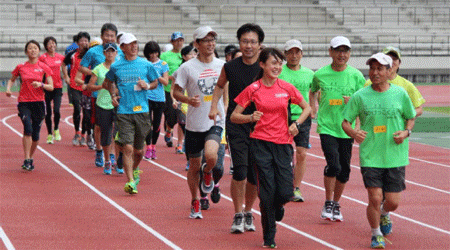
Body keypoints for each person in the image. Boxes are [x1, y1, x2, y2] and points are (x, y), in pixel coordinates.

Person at [231, 48, 311, 248]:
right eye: (273, 63)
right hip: (260, 144)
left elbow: (307, 108)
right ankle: (269, 237)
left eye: (279, 63)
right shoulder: (253, 89)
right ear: (262, 65)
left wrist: (297, 125)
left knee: (285, 192)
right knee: (266, 193)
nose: (277, 67)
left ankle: (278, 206)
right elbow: (234, 116)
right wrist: (250, 117)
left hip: (283, 144)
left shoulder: (286, 88)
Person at [342, 53, 416, 249]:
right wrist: (353, 133)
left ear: (389, 70)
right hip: (370, 155)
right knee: (374, 198)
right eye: (372, 68)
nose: (374, 72)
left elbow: (411, 116)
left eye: (380, 69)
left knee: (392, 202)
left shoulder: (400, 94)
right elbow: (345, 122)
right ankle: (376, 235)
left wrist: (406, 132)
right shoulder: (360, 96)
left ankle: (384, 213)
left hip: (395, 155)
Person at [209, 23, 264, 233]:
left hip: (261, 125)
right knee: (240, 169)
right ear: (239, 42)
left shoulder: (265, 66)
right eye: (244, 41)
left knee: (253, 173)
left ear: (260, 45)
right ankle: (237, 213)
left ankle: (249, 211)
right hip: (237, 122)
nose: (248, 45)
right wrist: (214, 106)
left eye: (252, 42)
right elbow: (219, 86)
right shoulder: (230, 66)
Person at [309, 36, 365, 222]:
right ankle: (327, 201)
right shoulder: (320, 74)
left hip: (346, 128)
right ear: (330, 52)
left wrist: (356, 121)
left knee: (345, 171)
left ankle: (336, 203)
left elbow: (362, 102)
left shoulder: (356, 76)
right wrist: (313, 107)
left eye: (345, 51)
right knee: (334, 165)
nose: (342, 54)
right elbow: (313, 90)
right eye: (338, 50)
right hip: (327, 126)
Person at [173, 26, 225, 219]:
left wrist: (225, 109)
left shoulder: (222, 65)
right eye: (206, 40)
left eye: (213, 40)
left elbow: (226, 89)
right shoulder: (187, 68)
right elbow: (176, 91)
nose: (210, 43)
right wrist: (187, 100)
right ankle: (195, 201)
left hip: (216, 121)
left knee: (211, 157)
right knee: (194, 166)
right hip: (194, 123)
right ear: (197, 44)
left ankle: (208, 171)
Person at [103, 33, 159, 194]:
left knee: (139, 150)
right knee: (127, 148)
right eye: (129, 44)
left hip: (142, 111)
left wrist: (147, 85)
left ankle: (134, 168)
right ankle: (130, 181)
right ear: (122, 48)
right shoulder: (116, 66)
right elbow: (108, 82)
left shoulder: (145, 64)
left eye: (135, 43)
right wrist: (113, 95)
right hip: (124, 111)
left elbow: (155, 82)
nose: (134, 46)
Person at [79, 23, 123, 168]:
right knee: (99, 126)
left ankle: (111, 154)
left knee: (114, 127)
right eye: (107, 35)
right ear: (102, 36)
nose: (110, 38)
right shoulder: (93, 52)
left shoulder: (120, 52)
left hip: (116, 96)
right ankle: (99, 150)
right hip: (98, 95)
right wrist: (96, 74)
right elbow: (82, 67)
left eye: (112, 36)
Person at [6, 40, 54, 170]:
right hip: (24, 102)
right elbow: (11, 80)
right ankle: (27, 159)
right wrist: (9, 89)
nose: (33, 50)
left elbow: (51, 86)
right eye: (30, 48)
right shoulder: (21, 67)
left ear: (39, 51)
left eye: (35, 48)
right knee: (28, 129)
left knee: (36, 135)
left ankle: (30, 157)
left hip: (39, 103)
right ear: (26, 51)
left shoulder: (44, 67)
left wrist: (41, 84)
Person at [278, 39, 315, 202]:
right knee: (283, 154)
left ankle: (296, 187)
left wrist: (313, 108)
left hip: (302, 117)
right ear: (285, 55)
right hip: (282, 116)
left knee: (301, 153)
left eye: (297, 52)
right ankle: (283, 184)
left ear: (301, 53)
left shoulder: (310, 74)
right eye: (290, 52)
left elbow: (314, 91)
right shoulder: (279, 71)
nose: (294, 56)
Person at [86, 42, 123, 175]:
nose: (110, 53)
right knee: (106, 134)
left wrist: (117, 90)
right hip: (103, 104)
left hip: (118, 104)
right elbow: (90, 86)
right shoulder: (98, 68)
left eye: (112, 51)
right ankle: (107, 160)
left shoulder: (120, 67)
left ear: (116, 53)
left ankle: (118, 160)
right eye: (107, 51)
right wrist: (102, 87)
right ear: (104, 53)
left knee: (118, 134)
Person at [365, 46, 425, 117]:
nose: (391, 62)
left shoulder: (407, 85)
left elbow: (419, 109)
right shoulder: (369, 83)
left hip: (398, 127)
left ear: (399, 63)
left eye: (394, 59)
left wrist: (403, 115)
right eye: (388, 58)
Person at [142, 41, 169, 160]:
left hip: (160, 98)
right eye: (151, 53)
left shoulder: (163, 64)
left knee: (157, 125)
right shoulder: (144, 63)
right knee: (147, 123)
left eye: (155, 52)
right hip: (147, 96)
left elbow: (166, 82)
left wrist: (156, 75)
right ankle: (148, 147)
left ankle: (153, 147)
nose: (153, 55)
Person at [63, 32, 90, 147]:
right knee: (77, 110)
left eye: (86, 40)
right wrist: (66, 76)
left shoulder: (91, 54)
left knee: (87, 113)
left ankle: (84, 135)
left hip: (87, 86)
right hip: (75, 86)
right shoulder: (72, 54)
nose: (84, 42)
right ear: (77, 42)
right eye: (82, 40)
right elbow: (63, 64)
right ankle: (76, 133)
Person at [39, 36, 66, 144]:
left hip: (58, 87)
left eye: (53, 43)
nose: (52, 45)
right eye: (49, 43)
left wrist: (66, 76)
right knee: (48, 112)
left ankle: (56, 129)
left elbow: (64, 67)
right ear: (46, 46)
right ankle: (49, 134)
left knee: (56, 110)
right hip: (46, 87)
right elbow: (40, 71)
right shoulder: (42, 58)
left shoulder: (60, 57)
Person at [160, 31, 184, 148]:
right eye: (177, 40)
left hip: (183, 90)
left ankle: (178, 140)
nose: (179, 43)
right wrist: (169, 77)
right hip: (169, 89)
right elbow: (159, 69)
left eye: (181, 40)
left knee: (181, 116)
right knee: (172, 115)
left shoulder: (185, 55)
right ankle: (169, 129)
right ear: (172, 42)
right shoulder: (165, 56)